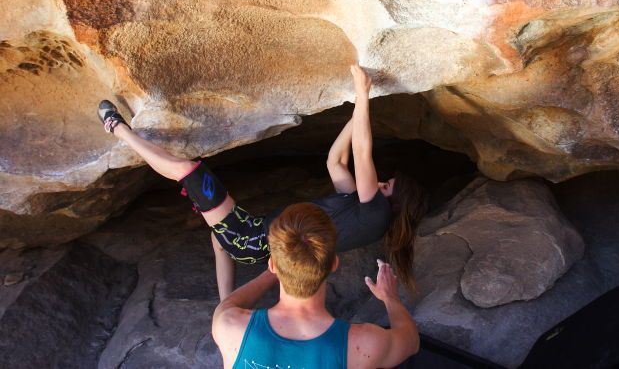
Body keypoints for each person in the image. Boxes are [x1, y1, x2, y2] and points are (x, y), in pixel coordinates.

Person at [97, 64, 428, 299]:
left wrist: (363, 94)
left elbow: (361, 150)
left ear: (395, 202)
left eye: (387, 186)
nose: (381, 182)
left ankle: (118, 129)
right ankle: (226, 302)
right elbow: (337, 160)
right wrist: (358, 107)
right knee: (218, 236)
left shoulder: (377, 215)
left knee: (189, 171)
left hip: (252, 238)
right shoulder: (360, 212)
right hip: (251, 234)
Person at [212, 202, 420, 369]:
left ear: (272, 263)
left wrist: (278, 268)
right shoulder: (364, 343)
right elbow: (411, 340)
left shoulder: (230, 326)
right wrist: (390, 298)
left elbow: (229, 303)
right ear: (334, 263)